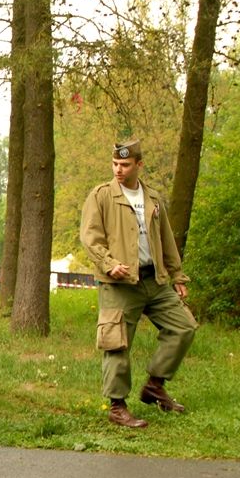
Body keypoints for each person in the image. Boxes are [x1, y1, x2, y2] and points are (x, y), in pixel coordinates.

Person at [80, 139, 198, 428]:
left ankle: (155, 386)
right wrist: (109, 263)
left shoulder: (152, 198)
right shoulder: (101, 195)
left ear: (139, 165)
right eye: (115, 164)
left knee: (184, 326)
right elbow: (90, 237)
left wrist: (177, 276)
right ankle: (117, 407)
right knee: (116, 343)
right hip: (119, 283)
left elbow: (166, 240)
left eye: (125, 164)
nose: (118, 170)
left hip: (153, 280)